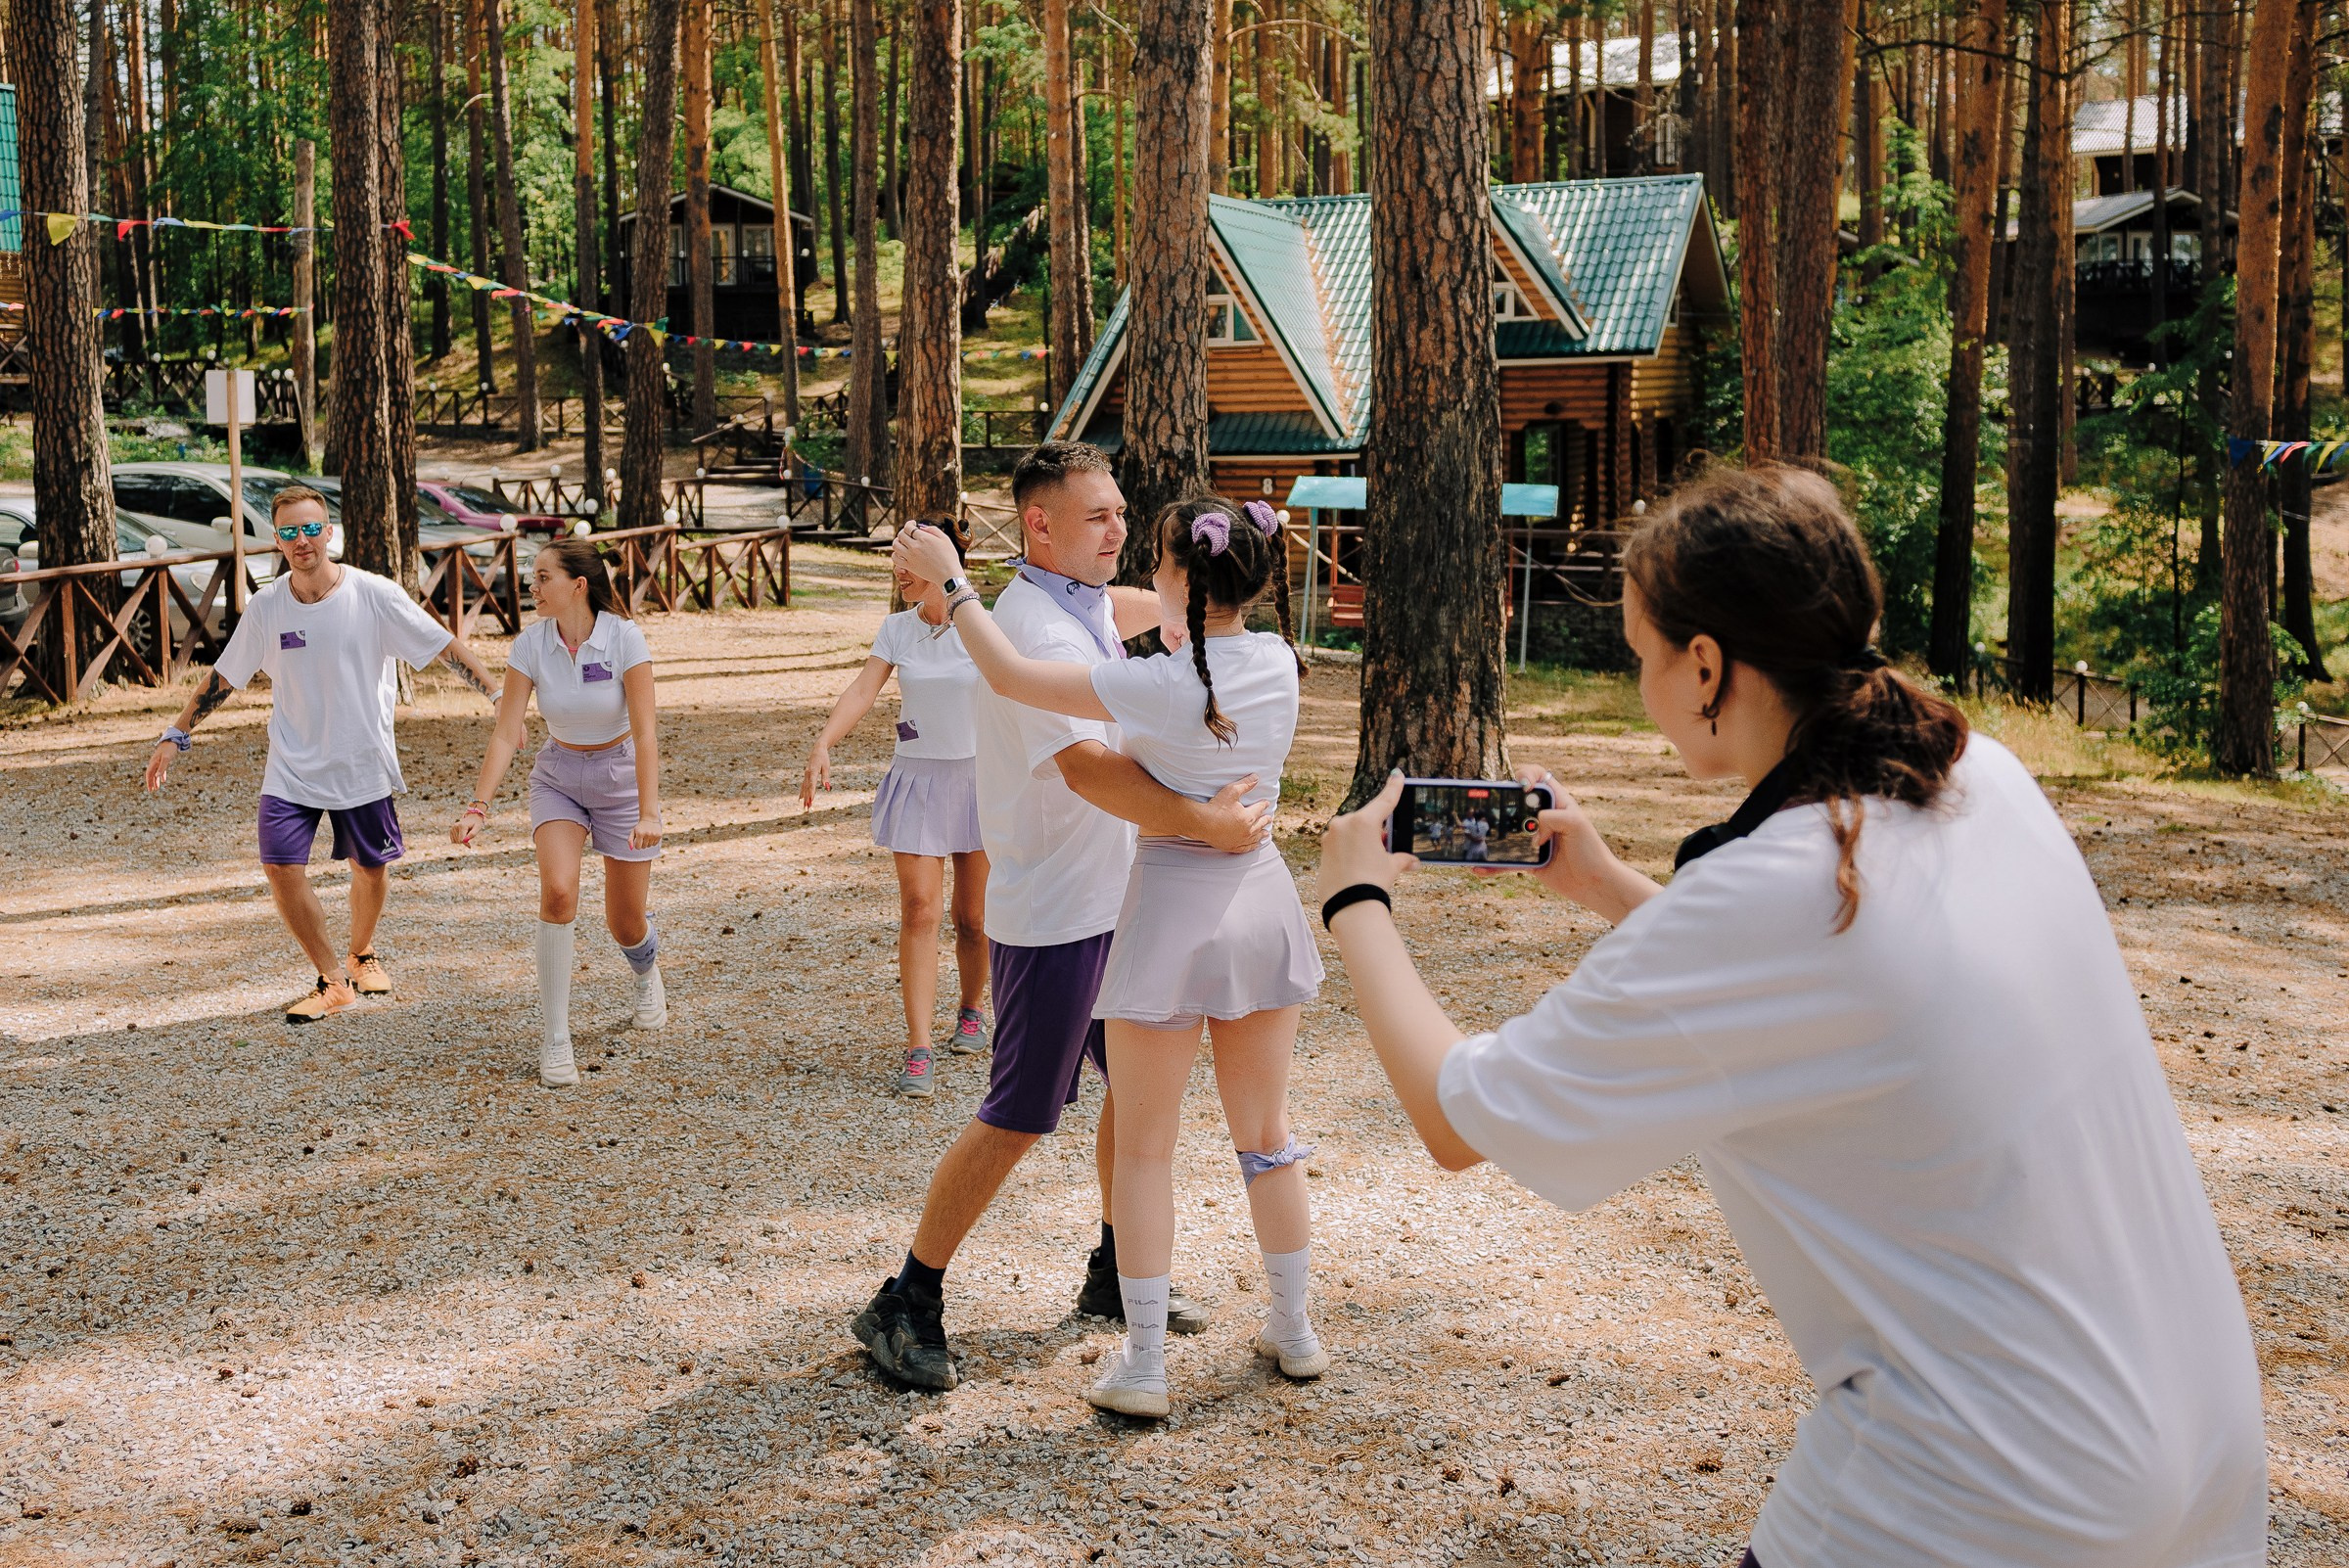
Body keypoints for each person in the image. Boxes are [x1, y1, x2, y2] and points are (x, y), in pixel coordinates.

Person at [1316, 465, 2267, 1568]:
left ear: (1706, 665)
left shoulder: (1767, 890)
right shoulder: (1977, 776)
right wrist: (1609, 888)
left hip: (1984, 1482)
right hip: (2194, 1435)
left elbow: (1458, 1117)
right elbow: (1839, 981)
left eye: (1639, 656)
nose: (1643, 686)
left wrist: (1356, 900)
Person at [848, 441, 1269, 1393]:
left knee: (1137, 1085)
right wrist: (1206, 823)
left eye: (1122, 513)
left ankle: (1116, 1272)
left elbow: (1146, 610)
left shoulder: (1081, 604)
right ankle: (906, 1298)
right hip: (1055, 915)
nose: (1119, 528)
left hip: (1114, 902)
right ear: (1039, 525)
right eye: (1099, 516)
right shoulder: (1034, 626)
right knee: (1020, 1112)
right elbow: (1090, 771)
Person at [143, 484, 502, 1024]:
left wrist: (498, 696)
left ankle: (362, 952)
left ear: (329, 532)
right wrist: (177, 734)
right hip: (292, 765)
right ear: (277, 540)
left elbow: (441, 646)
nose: (302, 540)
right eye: (289, 531)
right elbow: (224, 677)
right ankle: (333, 979)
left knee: (370, 868)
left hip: (361, 761)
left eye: (312, 528)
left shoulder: (374, 594)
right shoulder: (267, 606)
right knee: (280, 865)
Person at [449, 537, 667, 1087]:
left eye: (543, 576)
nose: (531, 585)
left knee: (625, 921)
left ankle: (645, 972)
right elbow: (506, 732)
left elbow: (645, 733)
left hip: (620, 779)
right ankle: (555, 1037)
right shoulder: (531, 644)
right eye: (531, 575)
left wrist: (649, 810)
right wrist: (479, 805)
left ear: (578, 585)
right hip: (558, 778)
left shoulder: (625, 639)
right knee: (559, 893)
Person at [802, 518, 991, 1098]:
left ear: (943, 561)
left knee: (975, 918)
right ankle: (918, 1046)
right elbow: (863, 690)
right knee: (919, 909)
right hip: (918, 778)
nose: (899, 571)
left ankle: (971, 1009)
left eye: (909, 559)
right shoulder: (896, 629)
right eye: (895, 559)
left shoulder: (983, 624)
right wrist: (823, 742)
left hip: (981, 781)